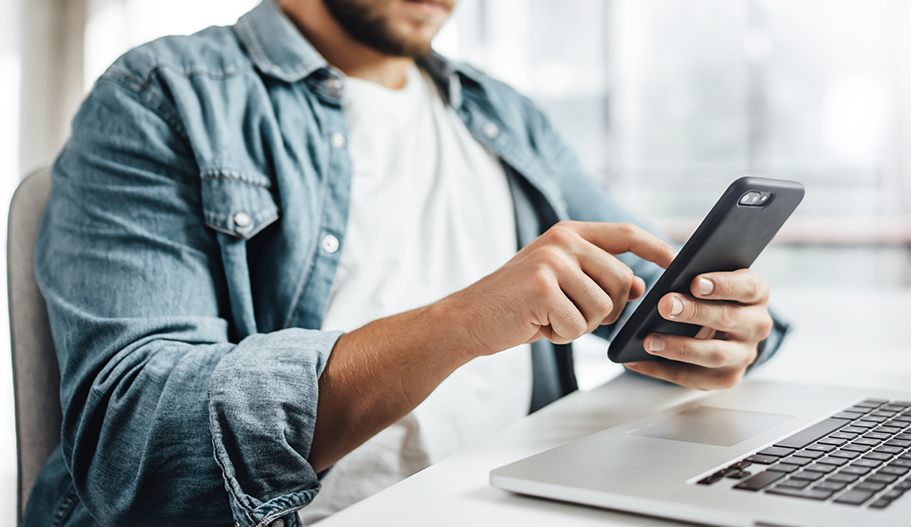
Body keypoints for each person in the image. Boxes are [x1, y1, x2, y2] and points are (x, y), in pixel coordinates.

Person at [24, 0, 790, 525]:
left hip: (519, 502)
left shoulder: (501, 112)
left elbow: (655, 291)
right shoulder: (162, 95)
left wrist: (718, 324)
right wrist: (461, 322)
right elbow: (133, 442)